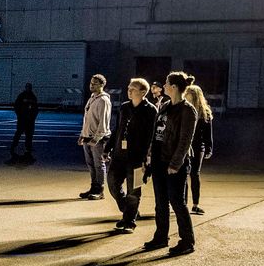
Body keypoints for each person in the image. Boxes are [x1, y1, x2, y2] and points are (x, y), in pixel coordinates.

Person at [144, 70, 199, 256]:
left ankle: (187, 241)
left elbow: (185, 140)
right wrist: (150, 156)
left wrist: (175, 164)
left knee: (177, 201)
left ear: (174, 87)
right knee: (160, 202)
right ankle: (161, 237)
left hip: (174, 164)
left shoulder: (187, 110)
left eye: (166, 83)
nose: (163, 86)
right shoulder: (166, 106)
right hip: (159, 161)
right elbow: (157, 132)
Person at [105, 77, 156, 233]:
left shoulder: (150, 110)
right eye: (129, 87)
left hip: (137, 158)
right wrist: (108, 148)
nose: (129, 90)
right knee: (113, 184)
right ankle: (129, 210)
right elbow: (117, 129)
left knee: (134, 191)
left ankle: (129, 221)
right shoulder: (124, 107)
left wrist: (147, 159)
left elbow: (151, 136)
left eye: (132, 89)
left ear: (143, 92)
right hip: (119, 155)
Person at [77, 74, 112, 200]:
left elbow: (104, 122)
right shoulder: (92, 98)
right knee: (90, 164)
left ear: (102, 85)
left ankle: (100, 190)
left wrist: (96, 139)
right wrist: (82, 134)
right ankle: (94, 186)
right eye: (91, 83)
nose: (91, 85)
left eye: (95, 83)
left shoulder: (103, 100)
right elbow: (87, 119)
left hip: (98, 139)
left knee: (99, 164)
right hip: (87, 136)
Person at [183, 84, 215, 215]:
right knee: (183, 174)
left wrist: (209, 148)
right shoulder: (184, 109)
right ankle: (182, 203)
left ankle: (195, 204)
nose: (186, 96)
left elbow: (208, 133)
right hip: (185, 145)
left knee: (194, 174)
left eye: (189, 94)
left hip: (198, 146)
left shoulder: (204, 112)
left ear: (195, 96)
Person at [8, 82, 39, 163]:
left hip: (27, 119)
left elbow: (35, 108)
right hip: (24, 119)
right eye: (28, 87)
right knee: (20, 133)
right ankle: (15, 145)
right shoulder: (26, 96)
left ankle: (26, 147)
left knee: (28, 134)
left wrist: (32, 116)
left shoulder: (30, 96)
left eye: (29, 87)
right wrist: (20, 115)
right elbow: (17, 106)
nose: (28, 88)